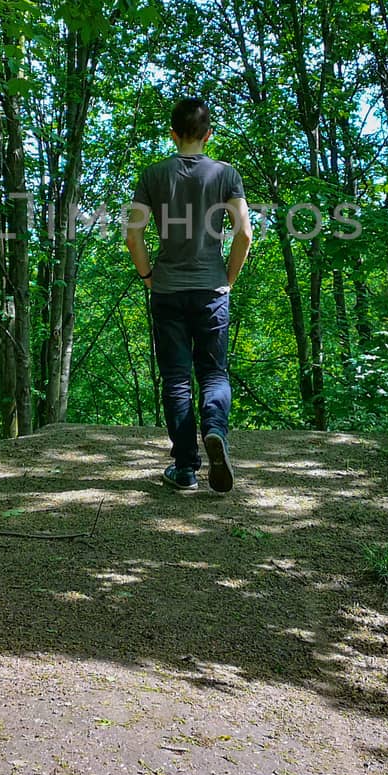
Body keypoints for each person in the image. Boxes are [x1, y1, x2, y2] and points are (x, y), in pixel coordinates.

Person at [125, 98, 252, 493]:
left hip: (167, 290)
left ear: (173, 134)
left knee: (176, 378)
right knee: (213, 372)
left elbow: (133, 235)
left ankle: (184, 469)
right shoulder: (226, 174)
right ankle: (215, 431)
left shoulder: (153, 174)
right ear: (208, 134)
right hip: (211, 287)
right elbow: (244, 234)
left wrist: (148, 275)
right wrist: (227, 278)